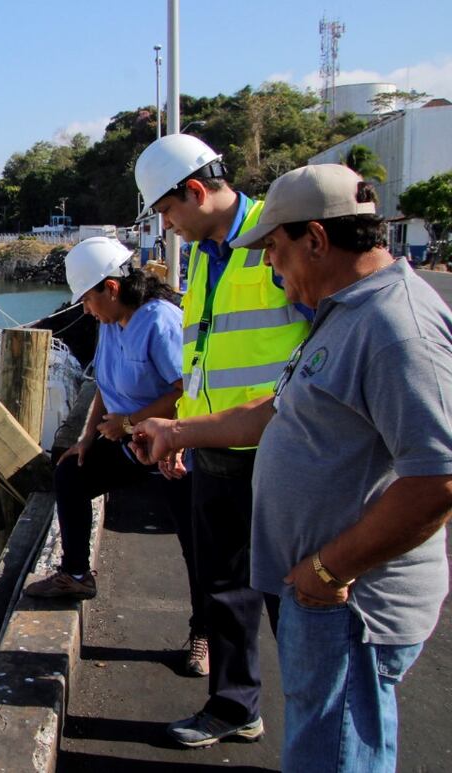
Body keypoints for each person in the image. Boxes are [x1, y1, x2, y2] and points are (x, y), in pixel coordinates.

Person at [131, 163, 452, 772]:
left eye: (276, 251)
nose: (272, 267)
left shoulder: (396, 329)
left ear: (317, 240)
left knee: (333, 754)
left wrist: (327, 571)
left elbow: (437, 478)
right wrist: (179, 430)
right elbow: (278, 409)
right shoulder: (346, 312)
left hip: (352, 602)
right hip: (326, 593)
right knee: (322, 744)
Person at [132, 134, 310, 746]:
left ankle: (318, 728)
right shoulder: (207, 254)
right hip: (214, 447)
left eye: (167, 210)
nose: (166, 224)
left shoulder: (275, 237)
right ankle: (234, 706)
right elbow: (202, 355)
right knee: (223, 586)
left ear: (196, 191)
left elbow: (323, 341)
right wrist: (185, 429)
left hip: (280, 447)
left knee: (296, 593)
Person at [24, 237, 207, 677]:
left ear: (110, 287)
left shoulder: (160, 321)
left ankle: (205, 632)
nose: (85, 310)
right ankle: (76, 573)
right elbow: (104, 384)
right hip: (125, 438)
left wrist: (130, 423)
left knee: (195, 541)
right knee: (71, 473)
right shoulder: (110, 323)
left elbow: (184, 390)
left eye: (88, 299)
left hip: (172, 441)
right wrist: (88, 438)